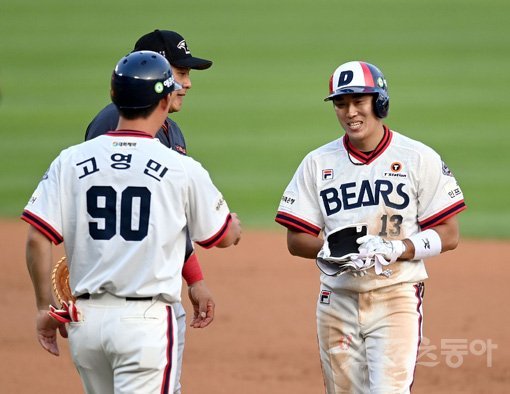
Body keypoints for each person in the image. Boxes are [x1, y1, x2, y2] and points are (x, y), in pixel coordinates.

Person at [23, 51, 242, 394]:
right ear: (166, 98)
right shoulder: (180, 168)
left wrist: (43, 307)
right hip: (146, 326)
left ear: (114, 96)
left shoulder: (70, 160)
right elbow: (223, 234)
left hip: (86, 324)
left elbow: (37, 237)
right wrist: (235, 226)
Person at [275, 60, 466, 393]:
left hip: (396, 298)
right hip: (336, 301)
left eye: (358, 101)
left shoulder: (417, 158)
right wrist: (333, 251)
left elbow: (449, 234)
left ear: (379, 102)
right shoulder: (318, 163)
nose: (350, 112)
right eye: (341, 103)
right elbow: (296, 238)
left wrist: (399, 248)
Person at [85, 29, 214, 393]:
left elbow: (167, 218)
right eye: (180, 72)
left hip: (145, 297)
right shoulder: (112, 129)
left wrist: (195, 278)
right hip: (129, 301)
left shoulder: (171, 132)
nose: (187, 83)